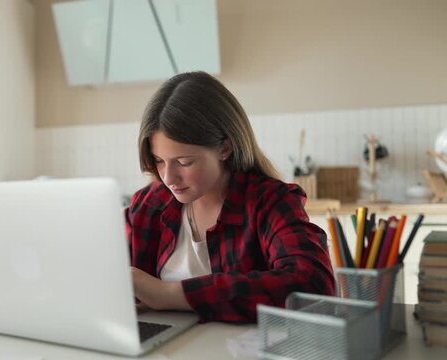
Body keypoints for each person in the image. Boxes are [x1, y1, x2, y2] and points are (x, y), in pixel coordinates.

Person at [125, 71, 335, 323]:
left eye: (184, 161)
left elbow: (314, 286)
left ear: (225, 148)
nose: (168, 178)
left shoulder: (270, 202)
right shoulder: (148, 205)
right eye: (159, 161)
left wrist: (168, 294)